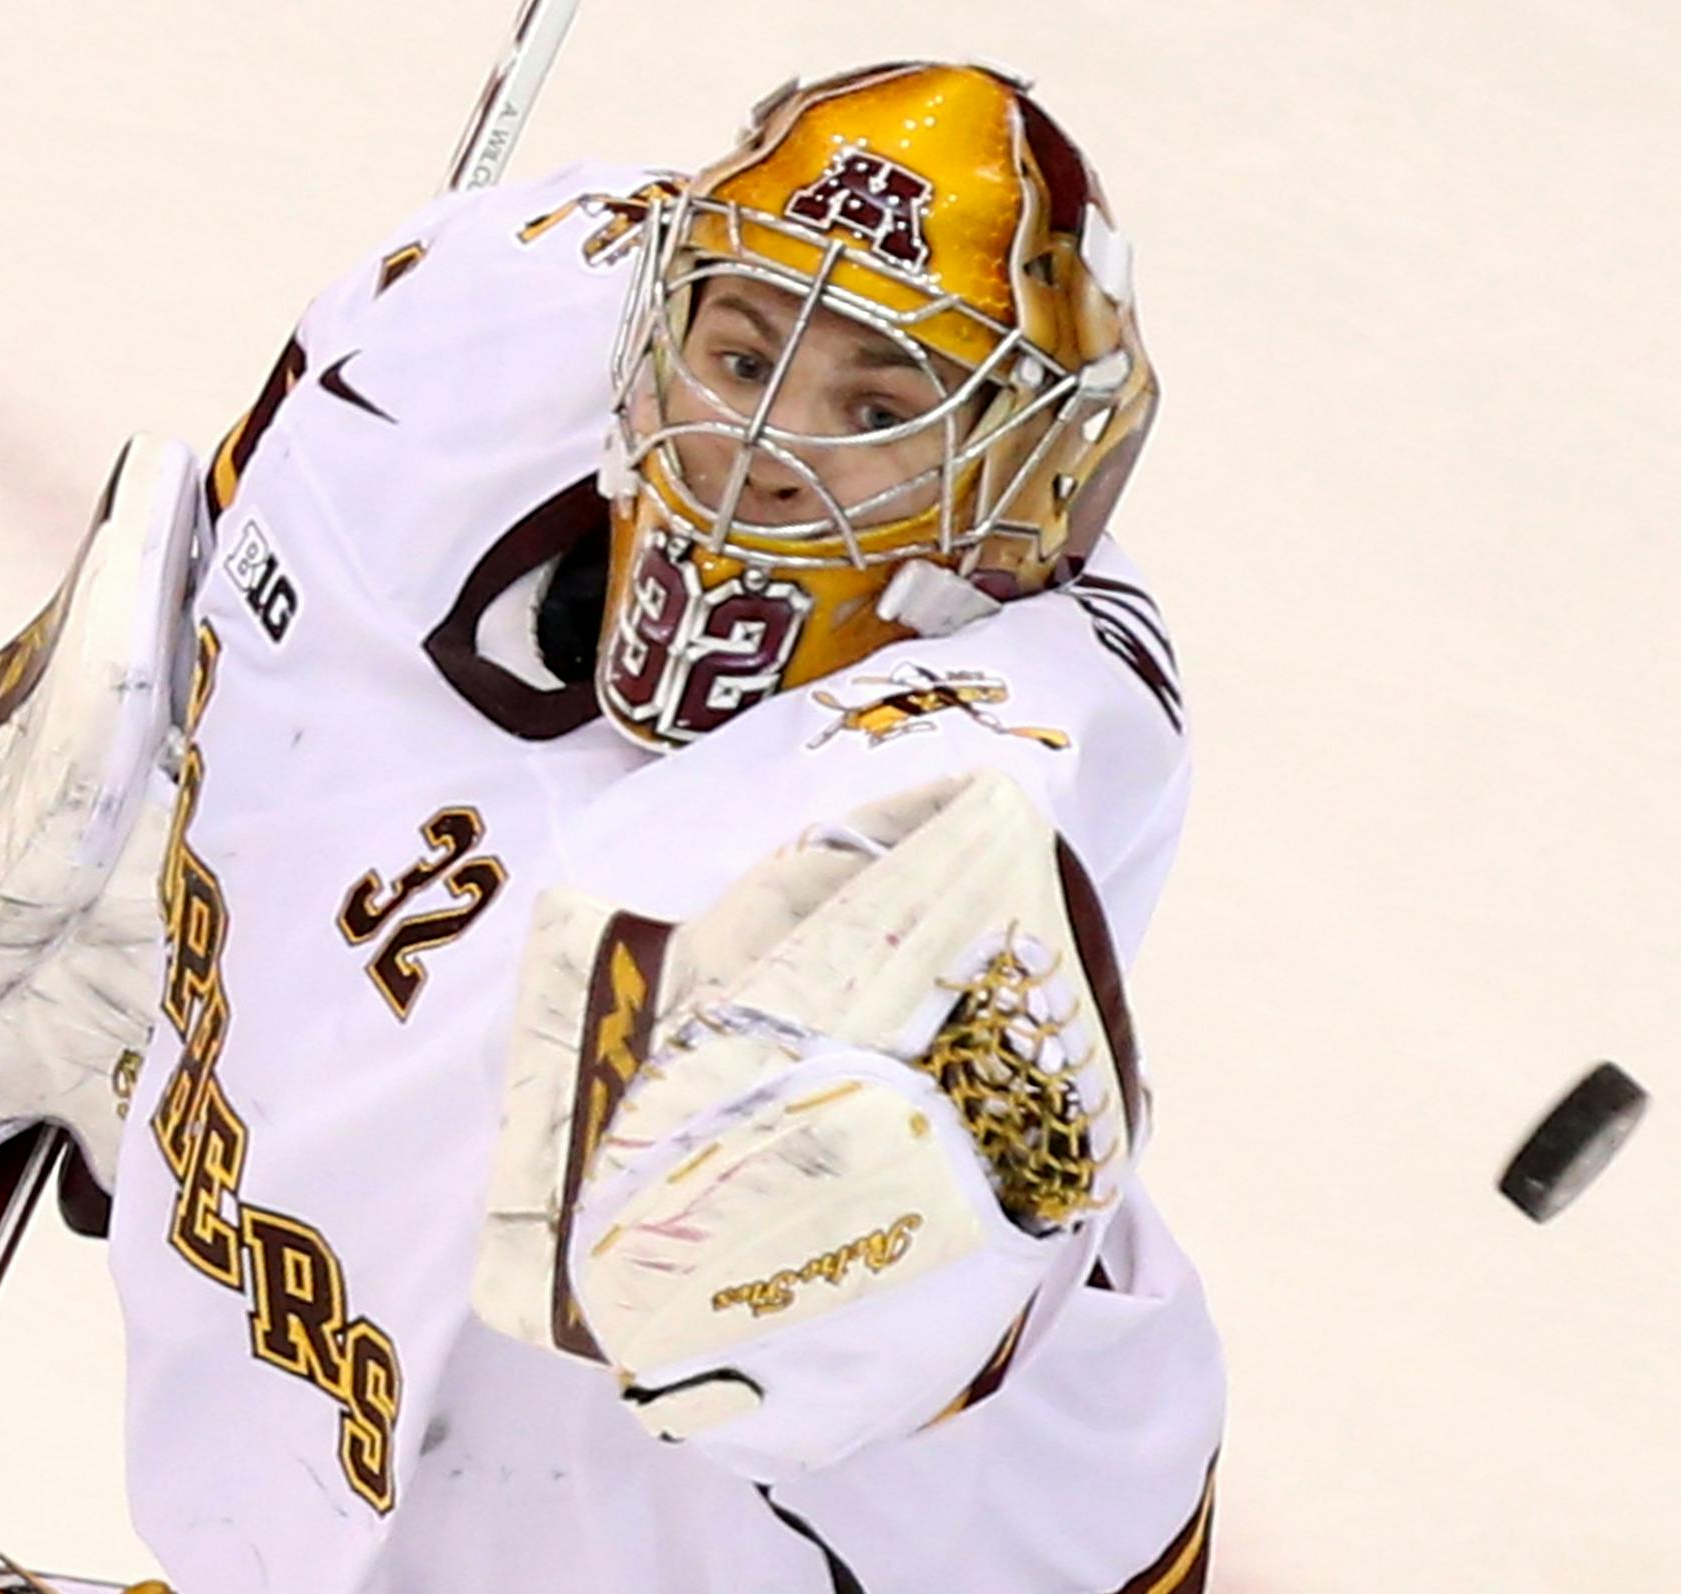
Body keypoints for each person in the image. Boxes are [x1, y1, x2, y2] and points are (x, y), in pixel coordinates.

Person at [101, 58, 1222, 1594]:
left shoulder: (1001, 756)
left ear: (1014, 489)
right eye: (743, 350)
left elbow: (953, 843)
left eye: (880, 406)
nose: (767, 447)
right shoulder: (487, 342)